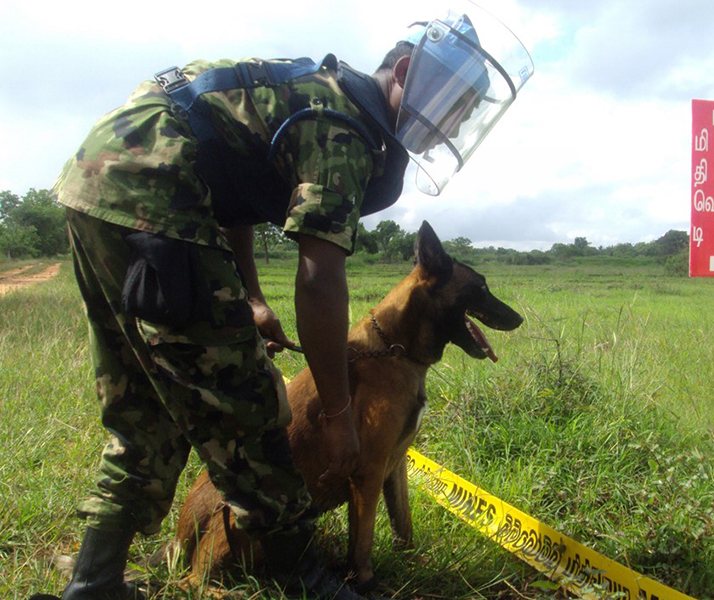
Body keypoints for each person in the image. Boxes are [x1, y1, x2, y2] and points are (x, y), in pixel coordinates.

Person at [30, 5, 532, 600]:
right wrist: (339, 414)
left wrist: (250, 297)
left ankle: (93, 582)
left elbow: (234, 189)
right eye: (451, 100)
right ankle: (304, 578)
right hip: (158, 192)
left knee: (145, 400)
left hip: (100, 181)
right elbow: (321, 280)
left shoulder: (311, 93)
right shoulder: (345, 130)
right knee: (250, 402)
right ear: (402, 70)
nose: (451, 119)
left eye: (464, 110)